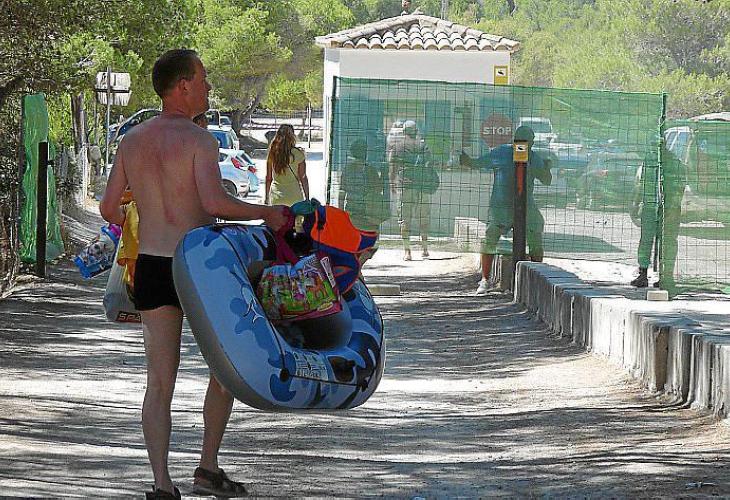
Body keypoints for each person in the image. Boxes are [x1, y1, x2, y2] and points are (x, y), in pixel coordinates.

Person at [100, 49, 287, 500]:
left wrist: (142, 214)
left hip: (152, 265)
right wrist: (267, 212)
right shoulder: (201, 141)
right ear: (182, 86)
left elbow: (108, 209)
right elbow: (215, 203)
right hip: (199, 267)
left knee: (159, 382)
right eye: (203, 79)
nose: (208, 87)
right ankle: (207, 465)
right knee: (224, 370)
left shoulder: (132, 140)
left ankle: (162, 484)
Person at [460, 125, 552, 295]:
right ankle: (485, 279)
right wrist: (465, 159)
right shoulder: (502, 153)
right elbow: (476, 163)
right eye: (521, 142)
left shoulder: (531, 157)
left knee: (534, 231)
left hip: (523, 207)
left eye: (526, 143)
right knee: (491, 237)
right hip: (502, 208)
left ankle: (535, 280)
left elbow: (547, 179)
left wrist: (543, 169)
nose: (523, 146)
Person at [630, 144, 685, 290]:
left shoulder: (674, 163)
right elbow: (641, 184)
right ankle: (643, 274)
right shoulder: (649, 162)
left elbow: (680, 187)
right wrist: (636, 202)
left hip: (669, 209)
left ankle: (666, 277)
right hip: (650, 207)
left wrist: (673, 206)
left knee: (667, 242)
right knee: (646, 240)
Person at [388, 120, 433, 260]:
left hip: (405, 186)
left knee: (404, 219)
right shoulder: (423, 145)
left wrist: (392, 182)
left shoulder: (397, 147)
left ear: (403, 132)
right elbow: (429, 164)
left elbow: (392, 167)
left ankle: (407, 251)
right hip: (422, 187)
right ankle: (425, 249)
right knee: (423, 218)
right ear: (416, 131)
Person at [341, 139, 390, 232]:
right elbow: (378, 189)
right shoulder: (371, 170)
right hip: (368, 214)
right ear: (366, 153)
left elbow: (342, 193)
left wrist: (341, 213)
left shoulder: (347, 170)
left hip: (351, 212)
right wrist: (383, 175)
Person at [265, 124, 309, 206]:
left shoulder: (273, 153)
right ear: (293, 137)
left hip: (276, 197)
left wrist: (267, 198)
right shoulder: (298, 154)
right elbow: (303, 177)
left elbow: (268, 178)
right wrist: (307, 198)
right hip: (294, 197)